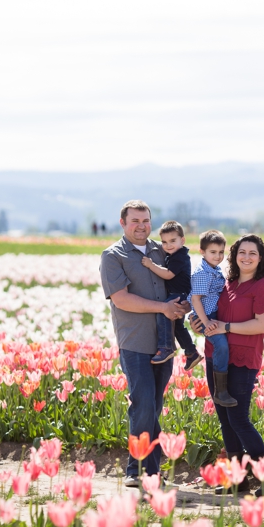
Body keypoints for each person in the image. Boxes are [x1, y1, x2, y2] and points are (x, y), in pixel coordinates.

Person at [99, 200, 189, 486]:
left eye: (146, 220)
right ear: (123, 223)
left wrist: (184, 305)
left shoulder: (161, 251)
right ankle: (136, 471)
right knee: (143, 404)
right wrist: (161, 308)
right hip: (134, 340)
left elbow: (178, 284)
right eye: (135, 221)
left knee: (154, 404)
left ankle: (151, 472)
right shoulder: (113, 256)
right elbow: (121, 299)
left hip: (165, 341)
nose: (141, 226)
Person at [195, 234, 264, 495]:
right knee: (224, 418)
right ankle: (237, 480)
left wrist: (226, 327)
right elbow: (212, 316)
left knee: (239, 418)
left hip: (243, 358)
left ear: (261, 257)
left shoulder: (263, 286)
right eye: (242, 252)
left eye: (253, 253)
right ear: (234, 255)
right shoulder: (226, 283)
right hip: (215, 356)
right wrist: (200, 324)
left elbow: (262, 324)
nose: (246, 257)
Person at [139, 221, 201, 367]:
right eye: (164, 242)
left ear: (182, 240)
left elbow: (168, 274)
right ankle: (191, 352)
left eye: (173, 241)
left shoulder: (179, 256)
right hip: (180, 294)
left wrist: (151, 265)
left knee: (163, 312)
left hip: (178, 294)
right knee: (178, 326)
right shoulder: (173, 255)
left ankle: (166, 348)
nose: (168, 245)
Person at [187, 230, 235, 407]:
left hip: (212, 315)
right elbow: (195, 299)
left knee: (228, 342)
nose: (218, 256)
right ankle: (220, 390)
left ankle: (233, 379)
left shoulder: (213, 270)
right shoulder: (202, 273)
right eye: (213, 252)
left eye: (221, 252)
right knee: (221, 344)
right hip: (205, 317)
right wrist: (206, 322)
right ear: (202, 251)